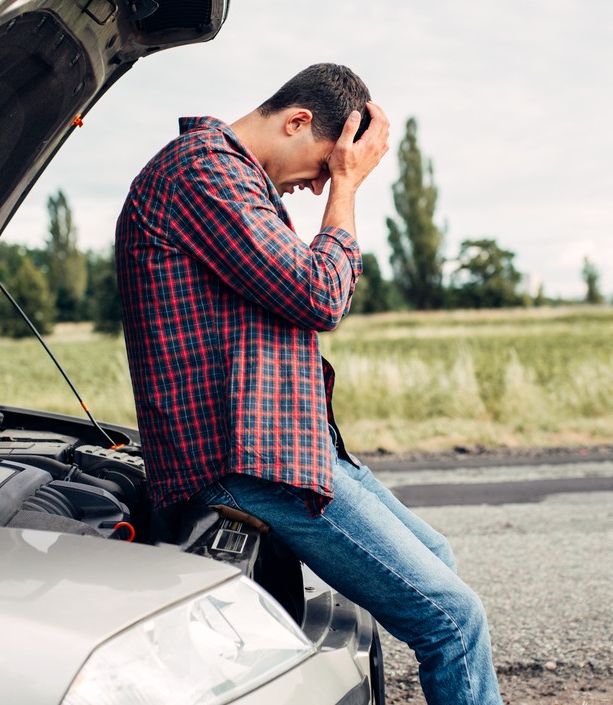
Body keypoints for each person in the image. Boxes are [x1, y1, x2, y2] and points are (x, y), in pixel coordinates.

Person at [115, 63, 502, 704]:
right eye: (325, 165)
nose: (319, 184)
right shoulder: (203, 172)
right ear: (297, 121)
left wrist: (338, 179)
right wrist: (346, 191)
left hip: (289, 449)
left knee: (438, 561)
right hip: (246, 459)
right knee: (452, 620)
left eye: (330, 175)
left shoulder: (232, 178)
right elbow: (320, 293)